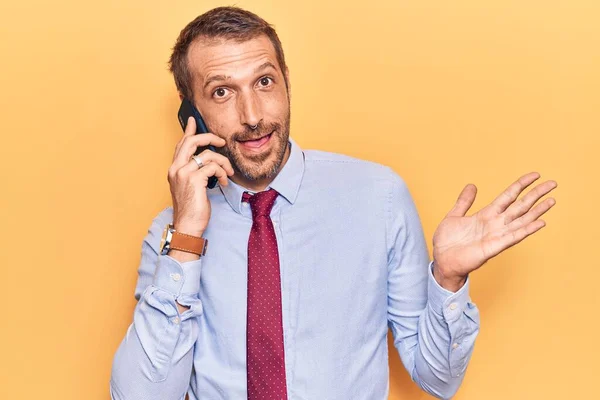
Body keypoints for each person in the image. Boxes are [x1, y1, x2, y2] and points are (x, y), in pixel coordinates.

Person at [110, 6, 557, 400]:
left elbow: (437, 379)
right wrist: (188, 235)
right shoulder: (171, 236)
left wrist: (449, 278)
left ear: (287, 81)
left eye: (264, 82)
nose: (252, 116)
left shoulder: (377, 197)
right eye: (222, 92)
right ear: (192, 114)